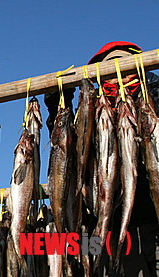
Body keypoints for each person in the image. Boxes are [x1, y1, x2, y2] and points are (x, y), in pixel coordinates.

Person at [44, 41, 159, 276]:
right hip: (113, 232)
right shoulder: (95, 110)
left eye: (126, 69)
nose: (119, 79)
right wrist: (57, 107)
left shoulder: (153, 99)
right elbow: (69, 152)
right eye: (111, 72)